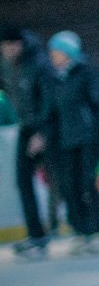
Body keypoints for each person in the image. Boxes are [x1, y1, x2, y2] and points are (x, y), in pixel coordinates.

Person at [27, 31, 99, 257]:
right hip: (63, 141)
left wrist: (98, 136)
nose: (53, 56)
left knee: (87, 184)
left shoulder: (86, 74)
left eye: (57, 52)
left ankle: (97, 232)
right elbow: (48, 112)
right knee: (68, 187)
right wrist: (42, 135)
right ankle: (80, 232)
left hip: (86, 139)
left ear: (69, 53)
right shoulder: (51, 79)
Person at [2, 27, 53, 260]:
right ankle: (37, 236)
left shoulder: (38, 63)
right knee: (23, 181)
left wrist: (42, 132)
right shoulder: (7, 65)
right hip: (26, 127)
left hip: (47, 126)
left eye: (11, 46)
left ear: (20, 44)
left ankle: (88, 230)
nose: (7, 51)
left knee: (62, 179)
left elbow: (49, 99)